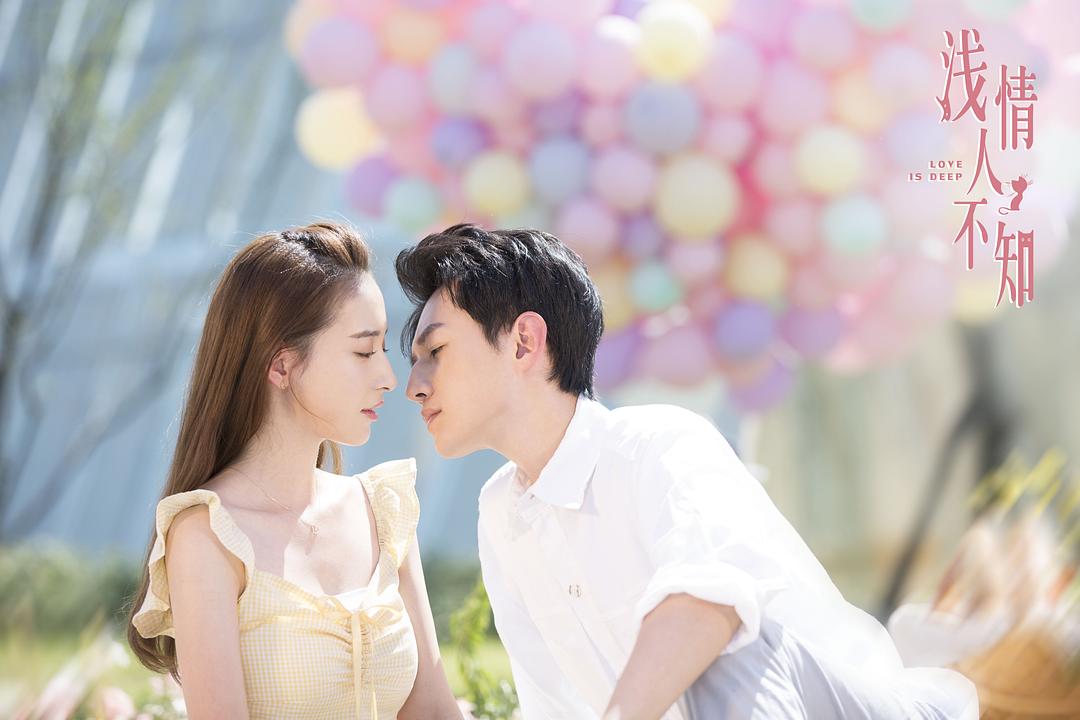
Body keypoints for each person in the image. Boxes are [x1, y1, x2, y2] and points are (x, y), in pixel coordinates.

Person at [395, 223, 980, 720]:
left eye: (435, 352)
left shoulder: (657, 443)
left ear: (525, 341)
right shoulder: (503, 513)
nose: (414, 386)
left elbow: (708, 607)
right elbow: (553, 704)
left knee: (721, 631)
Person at [126, 222, 463, 719]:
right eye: (363, 351)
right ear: (281, 366)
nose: (389, 378)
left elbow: (433, 711)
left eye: (383, 350)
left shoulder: (383, 510)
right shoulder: (208, 535)